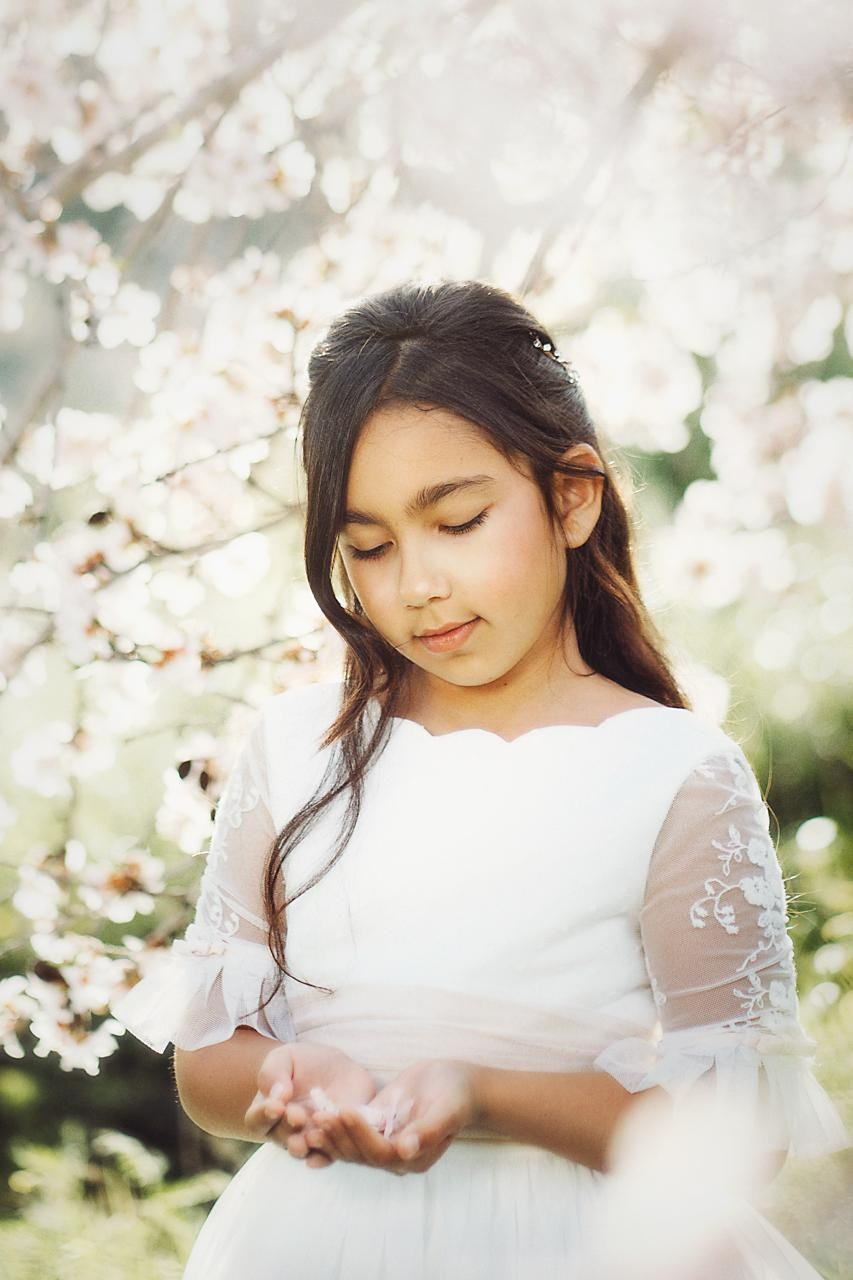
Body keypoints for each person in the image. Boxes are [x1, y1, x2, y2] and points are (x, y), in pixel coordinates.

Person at [112, 280, 850, 1279]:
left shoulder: (672, 770)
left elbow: (735, 1135)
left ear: (571, 496)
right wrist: (294, 1073)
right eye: (367, 545)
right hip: (311, 1242)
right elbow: (206, 1062)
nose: (416, 582)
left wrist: (482, 1093)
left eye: (456, 520)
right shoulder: (295, 747)